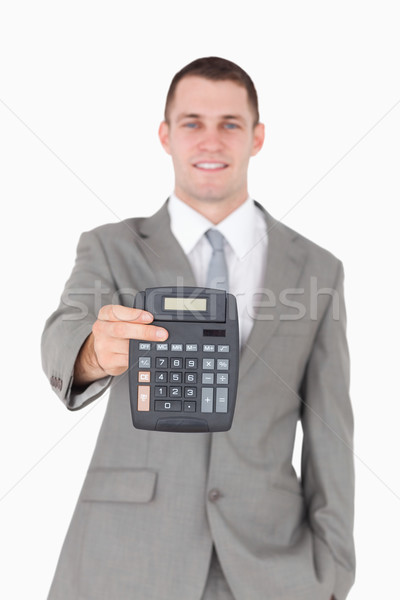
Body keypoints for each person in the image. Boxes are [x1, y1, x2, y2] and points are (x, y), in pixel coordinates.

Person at [41, 56, 355, 600]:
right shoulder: (111, 247)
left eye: (230, 124)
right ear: (166, 136)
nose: (211, 141)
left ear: (257, 138)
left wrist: (333, 573)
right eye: (192, 123)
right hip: (127, 557)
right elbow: (63, 334)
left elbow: (330, 430)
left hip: (272, 569)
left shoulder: (318, 270)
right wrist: (96, 352)